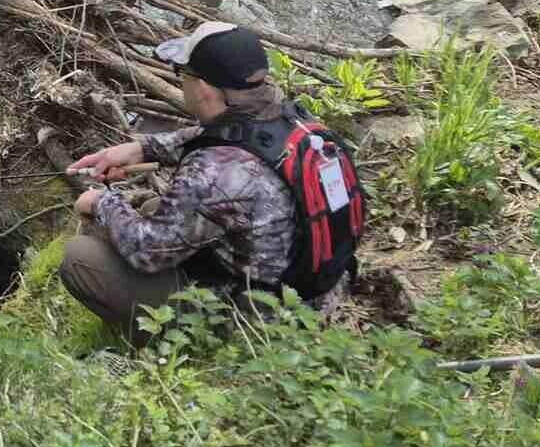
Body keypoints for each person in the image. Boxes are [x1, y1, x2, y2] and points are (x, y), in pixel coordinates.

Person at [59, 21, 364, 345]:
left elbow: (145, 251)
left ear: (203, 88)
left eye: (182, 74)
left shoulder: (211, 172)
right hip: (317, 292)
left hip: (262, 325)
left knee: (80, 257)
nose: (181, 82)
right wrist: (142, 148)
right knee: (154, 206)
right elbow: (223, 138)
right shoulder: (296, 121)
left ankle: (170, 347)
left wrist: (101, 202)